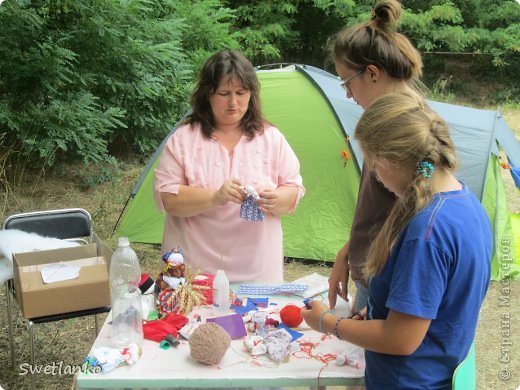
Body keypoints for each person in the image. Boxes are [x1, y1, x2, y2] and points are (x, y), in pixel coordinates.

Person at [302, 91, 492, 389]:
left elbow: (401, 339)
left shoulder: (427, 232)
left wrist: (329, 323)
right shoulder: (466, 204)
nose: (376, 176)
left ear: (391, 159)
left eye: (374, 164)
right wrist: (375, 311)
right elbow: (437, 302)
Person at [153, 49, 305, 283]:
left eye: (240, 93)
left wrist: (276, 199)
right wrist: (215, 197)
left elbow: (293, 190)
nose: (233, 102)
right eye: (224, 93)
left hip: (258, 270)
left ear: (251, 94)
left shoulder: (271, 138)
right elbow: (168, 198)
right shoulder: (183, 139)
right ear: (207, 94)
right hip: (195, 272)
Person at [327, 0, 425, 314]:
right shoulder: (385, 119)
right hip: (372, 270)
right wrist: (349, 251)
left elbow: (415, 215)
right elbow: (381, 206)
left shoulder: (404, 128)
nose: (347, 94)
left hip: (387, 278)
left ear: (371, 73)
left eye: (346, 81)